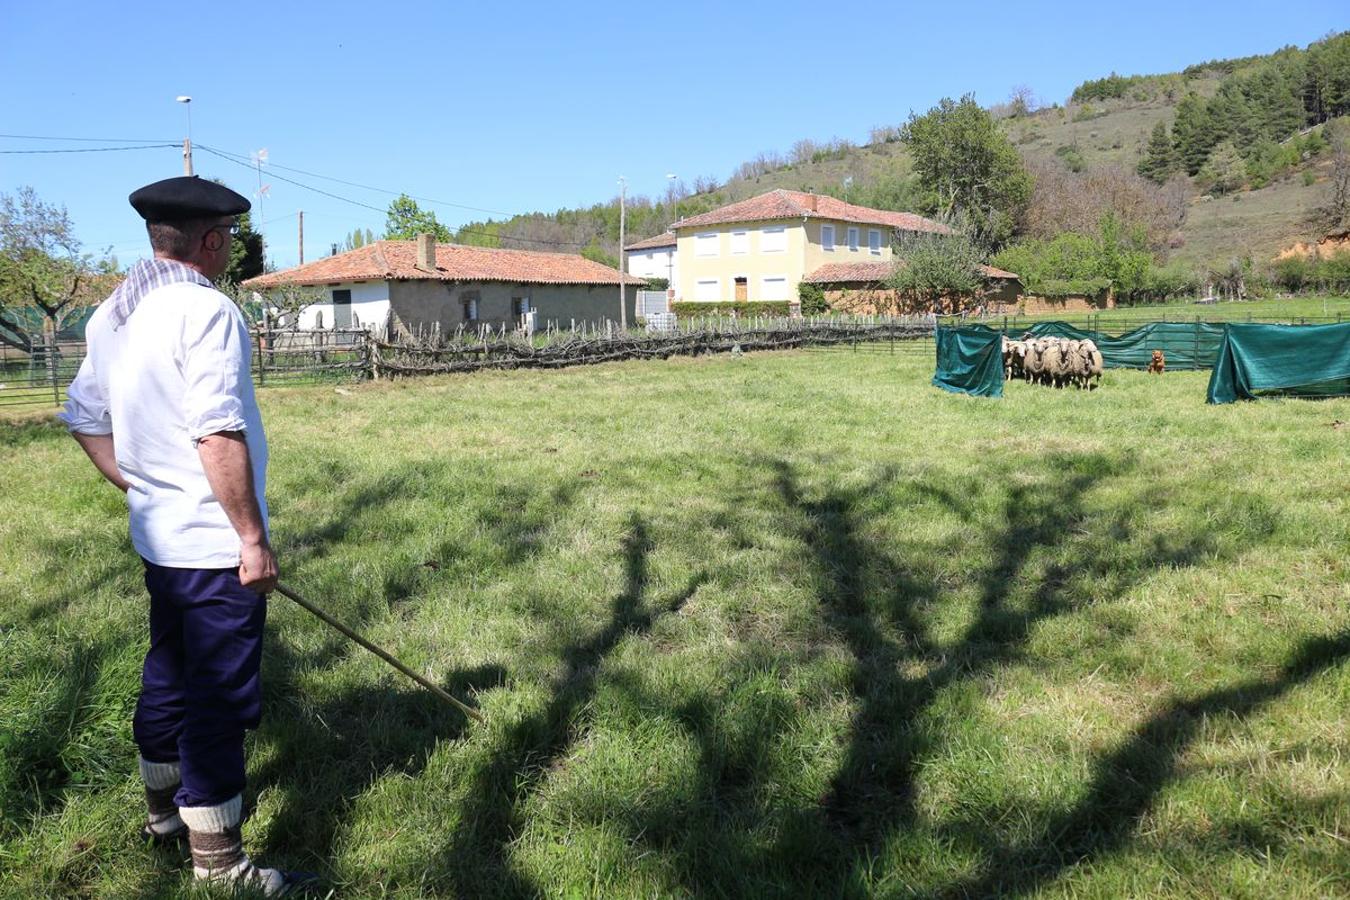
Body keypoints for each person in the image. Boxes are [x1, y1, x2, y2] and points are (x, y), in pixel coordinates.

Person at [59, 176, 312, 896]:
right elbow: (216, 430)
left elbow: (84, 417)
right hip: (208, 546)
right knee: (218, 699)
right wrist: (251, 540)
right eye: (227, 235)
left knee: (168, 670)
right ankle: (221, 866)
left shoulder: (112, 313)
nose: (229, 247)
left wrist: (140, 487)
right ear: (210, 241)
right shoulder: (205, 310)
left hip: (159, 541)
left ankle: (163, 816)